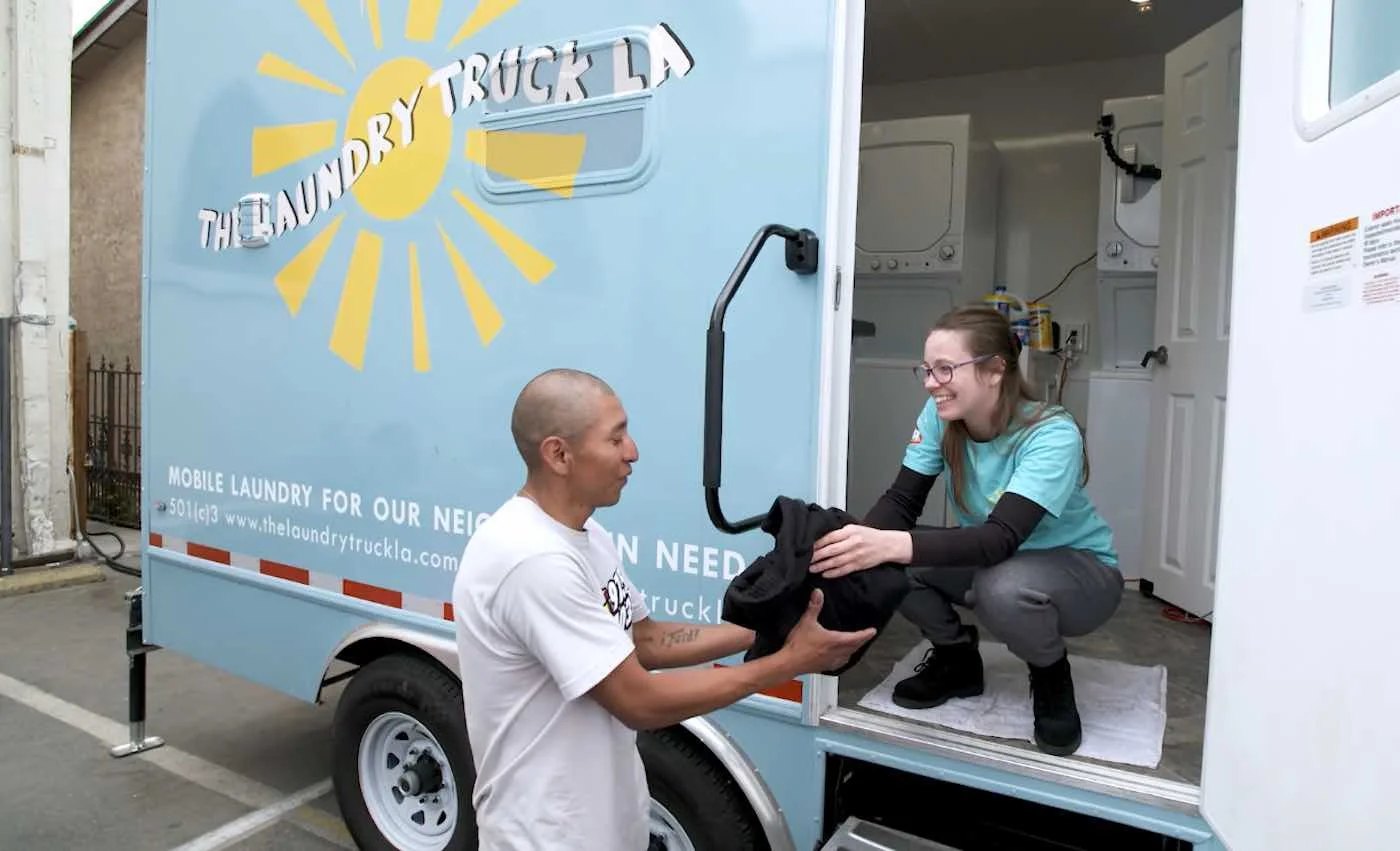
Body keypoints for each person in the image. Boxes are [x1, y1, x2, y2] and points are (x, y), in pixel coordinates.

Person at [452, 367, 876, 851]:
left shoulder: (583, 536)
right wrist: (790, 663)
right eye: (615, 439)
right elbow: (639, 701)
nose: (632, 452)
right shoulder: (533, 559)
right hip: (545, 837)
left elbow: (641, 639)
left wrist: (770, 628)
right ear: (559, 454)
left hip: (603, 828)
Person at [808, 304, 1122, 757]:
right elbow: (901, 501)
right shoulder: (942, 417)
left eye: (944, 369)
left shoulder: (1051, 433)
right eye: (927, 370)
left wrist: (887, 544)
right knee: (897, 560)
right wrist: (853, 552)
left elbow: (999, 540)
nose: (931, 383)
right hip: (999, 563)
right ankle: (956, 659)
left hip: (1082, 576)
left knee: (999, 584)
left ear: (995, 369)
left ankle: (1051, 675)